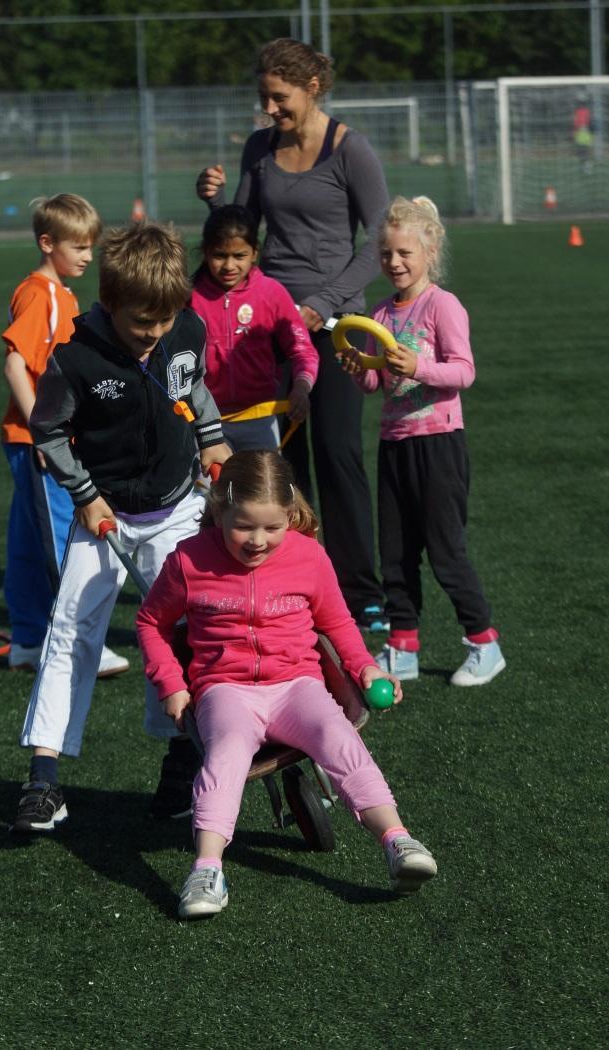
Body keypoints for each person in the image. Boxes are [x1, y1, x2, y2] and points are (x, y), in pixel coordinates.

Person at [137, 450, 438, 919]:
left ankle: (398, 841)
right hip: (226, 688)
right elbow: (152, 623)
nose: (258, 541)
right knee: (226, 755)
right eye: (244, 527)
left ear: (291, 514)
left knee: (339, 741)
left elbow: (336, 622)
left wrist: (365, 668)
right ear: (219, 510)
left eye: (272, 528)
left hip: (297, 683)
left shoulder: (308, 556)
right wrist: (171, 683)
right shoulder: (189, 561)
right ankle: (207, 868)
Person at [11, 221, 233, 834]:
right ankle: (43, 780)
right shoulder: (75, 354)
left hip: (176, 509)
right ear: (109, 304)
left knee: (183, 631)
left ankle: (179, 767)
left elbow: (195, 389)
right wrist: (84, 495)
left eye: (162, 323)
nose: (153, 336)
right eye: (141, 325)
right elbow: (49, 431)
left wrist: (212, 443)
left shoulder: (185, 328)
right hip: (104, 513)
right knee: (71, 632)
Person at [196, 37, 389, 633]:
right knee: (278, 463)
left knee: (336, 453)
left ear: (311, 88)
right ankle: (289, 579)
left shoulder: (350, 150)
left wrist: (322, 305)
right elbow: (242, 235)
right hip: (269, 323)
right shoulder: (259, 147)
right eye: (263, 99)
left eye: (278, 98)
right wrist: (215, 202)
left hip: (336, 327)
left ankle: (363, 593)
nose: (270, 110)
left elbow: (377, 245)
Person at [338, 196, 505, 687]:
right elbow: (374, 384)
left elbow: (464, 372)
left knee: (445, 550)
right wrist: (357, 370)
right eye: (387, 254)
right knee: (396, 552)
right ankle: (403, 645)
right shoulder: (379, 315)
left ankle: (484, 642)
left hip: (439, 445)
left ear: (430, 251)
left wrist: (419, 367)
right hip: (395, 443)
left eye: (405, 253)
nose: (394, 263)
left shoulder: (442, 305)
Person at [0, 193, 127, 677]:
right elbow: (15, 364)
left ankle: (28, 638)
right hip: (37, 444)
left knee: (29, 542)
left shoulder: (64, 295)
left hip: (37, 441)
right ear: (47, 242)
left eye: (90, 246)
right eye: (78, 246)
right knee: (62, 541)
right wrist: (43, 436)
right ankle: (76, 642)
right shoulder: (40, 295)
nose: (87, 256)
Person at [190, 204, 318, 451]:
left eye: (239, 256)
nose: (229, 266)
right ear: (205, 252)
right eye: (219, 255)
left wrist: (302, 386)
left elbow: (303, 350)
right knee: (209, 491)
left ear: (254, 253)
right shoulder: (188, 298)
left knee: (261, 489)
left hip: (260, 420)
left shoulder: (272, 293)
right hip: (204, 423)